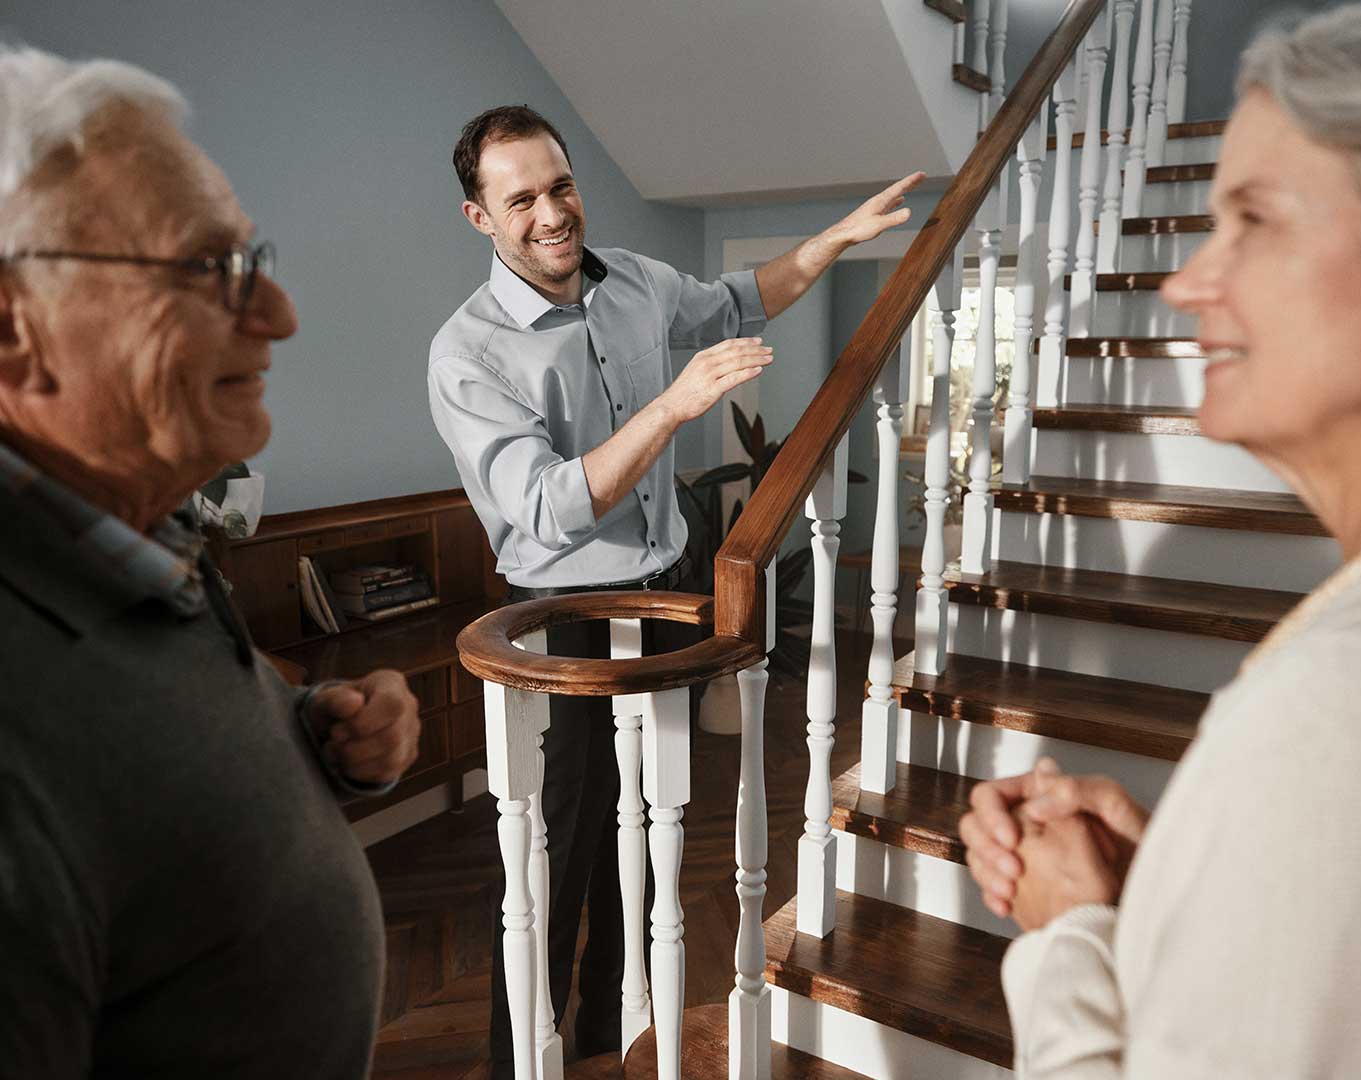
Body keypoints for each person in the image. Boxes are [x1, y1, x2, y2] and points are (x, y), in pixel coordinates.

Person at [957, 2, 1361, 1075]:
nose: (1184, 281)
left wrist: (1070, 936)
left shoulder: (1343, 701)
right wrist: (1180, 877)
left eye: (1254, 221)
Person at [427, 104, 922, 1073]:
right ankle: (514, 1056)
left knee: (645, 846)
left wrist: (831, 241)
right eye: (520, 198)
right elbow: (552, 508)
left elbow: (742, 297)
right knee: (553, 859)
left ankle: (620, 1044)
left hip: (662, 603)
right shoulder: (469, 352)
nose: (551, 212)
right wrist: (677, 404)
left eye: (560, 185)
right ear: (479, 218)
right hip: (562, 631)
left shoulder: (639, 284)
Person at [0, 47, 421, 1078]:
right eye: (205, 268)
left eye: (251, 258)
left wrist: (307, 739)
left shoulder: (138, 536)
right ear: (16, 329)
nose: (277, 316)